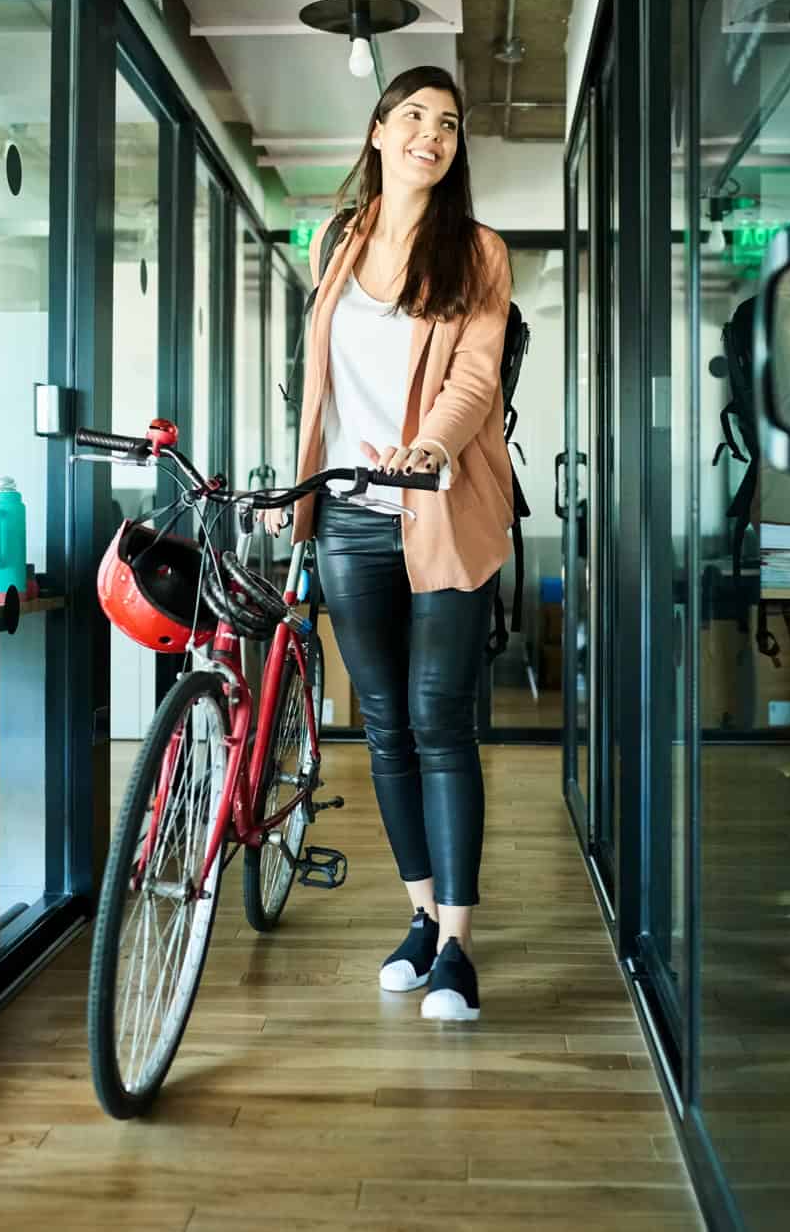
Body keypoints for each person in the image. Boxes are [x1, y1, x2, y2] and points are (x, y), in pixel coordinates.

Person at [262, 65, 513, 1022]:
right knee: (381, 722)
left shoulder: (478, 252)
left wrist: (424, 449)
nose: (430, 134)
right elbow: (317, 381)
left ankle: (456, 945)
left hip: (437, 506)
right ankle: (416, 916)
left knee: (439, 719)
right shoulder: (338, 242)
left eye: (446, 123)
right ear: (376, 131)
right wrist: (298, 486)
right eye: (412, 116)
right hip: (348, 519)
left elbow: (475, 378)